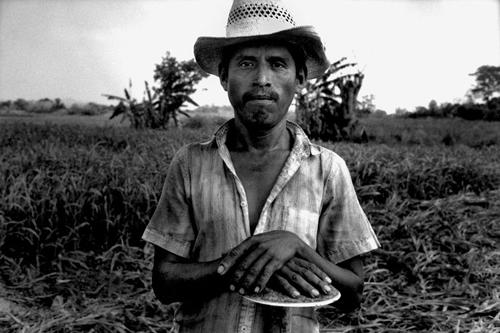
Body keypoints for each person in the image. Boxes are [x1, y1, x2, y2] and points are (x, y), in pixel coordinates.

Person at [142, 0, 380, 332]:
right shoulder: (191, 164)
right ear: (225, 76)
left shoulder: (328, 170)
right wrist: (238, 262)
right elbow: (164, 282)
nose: (262, 79)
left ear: (299, 78)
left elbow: (353, 292)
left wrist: (296, 247)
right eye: (247, 63)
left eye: (278, 64)